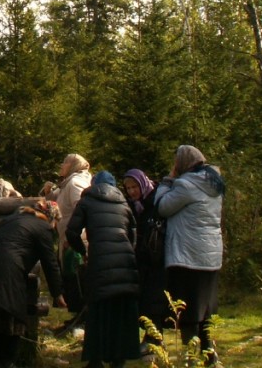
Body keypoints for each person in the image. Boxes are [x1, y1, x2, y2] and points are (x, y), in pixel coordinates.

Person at [0, 200, 67, 368]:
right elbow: (50, 263)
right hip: (7, 277)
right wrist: (58, 294)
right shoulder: (42, 227)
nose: (54, 227)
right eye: (55, 222)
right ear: (50, 218)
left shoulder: (11, 220)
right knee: (10, 336)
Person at [154, 145, 225, 366]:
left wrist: (167, 181)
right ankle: (210, 353)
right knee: (206, 308)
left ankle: (192, 356)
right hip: (210, 255)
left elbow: (162, 207)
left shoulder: (185, 185)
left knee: (188, 309)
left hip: (187, 256)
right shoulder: (215, 184)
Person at [66, 170, 141, 368]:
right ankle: (119, 359)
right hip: (125, 260)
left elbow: (71, 232)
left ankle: (96, 359)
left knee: (98, 309)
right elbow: (133, 232)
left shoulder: (86, 201)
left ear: (93, 185)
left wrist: (83, 251)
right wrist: (128, 250)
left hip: (100, 260)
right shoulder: (123, 203)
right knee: (121, 309)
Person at [124, 168, 168, 357]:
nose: (132, 191)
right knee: (145, 300)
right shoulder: (134, 205)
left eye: (134, 187)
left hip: (157, 258)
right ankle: (151, 338)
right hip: (142, 258)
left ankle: (154, 339)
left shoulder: (155, 200)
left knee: (154, 300)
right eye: (128, 188)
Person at [43, 153, 93, 314]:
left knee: (77, 279)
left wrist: (75, 236)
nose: (61, 165)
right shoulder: (67, 183)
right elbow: (56, 199)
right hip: (68, 238)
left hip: (75, 240)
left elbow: (82, 209)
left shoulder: (76, 182)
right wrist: (48, 192)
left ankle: (82, 318)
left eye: (65, 162)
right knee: (71, 279)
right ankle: (76, 316)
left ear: (73, 166)